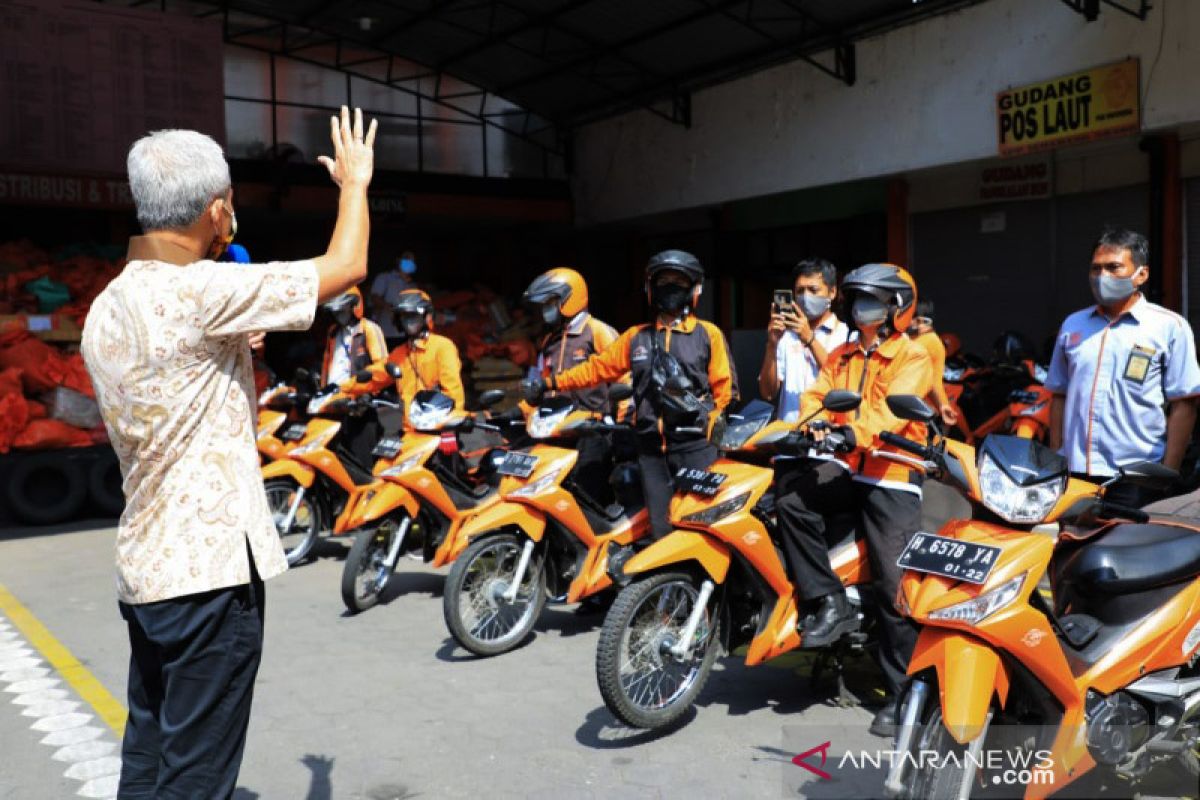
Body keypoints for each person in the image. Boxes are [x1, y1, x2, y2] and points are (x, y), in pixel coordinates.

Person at [81, 106, 377, 798]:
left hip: (147, 570)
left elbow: (172, 376)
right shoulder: (200, 291)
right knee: (198, 778)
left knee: (149, 755)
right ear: (217, 210)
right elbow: (349, 266)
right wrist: (356, 183)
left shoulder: (109, 303)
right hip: (209, 577)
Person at [774, 263, 932, 737]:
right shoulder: (843, 353)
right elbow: (818, 394)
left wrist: (851, 432)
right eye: (860, 299)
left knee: (894, 586)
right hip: (849, 467)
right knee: (789, 501)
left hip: (891, 475)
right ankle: (827, 601)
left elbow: (892, 412)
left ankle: (903, 695)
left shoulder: (913, 355)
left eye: (875, 300)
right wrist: (812, 423)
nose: (863, 307)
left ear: (897, 307)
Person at [523, 250, 735, 545]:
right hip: (650, 450)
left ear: (694, 289)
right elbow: (596, 369)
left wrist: (716, 424)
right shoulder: (636, 337)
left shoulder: (708, 334)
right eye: (663, 280)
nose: (670, 287)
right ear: (650, 289)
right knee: (662, 531)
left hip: (696, 448)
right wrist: (549, 383)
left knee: (702, 529)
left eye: (678, 281)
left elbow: (726, 390)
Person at [1046, 227, 1200, 506]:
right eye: (1095, 269)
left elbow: (1185, 404)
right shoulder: (1073, 325)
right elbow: (1059, 394)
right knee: (1072, 545)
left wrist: (1168, 471)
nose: (1102, 276)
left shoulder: (1169, 327)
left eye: (1113, 267)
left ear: (1141, 274)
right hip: (1076, 474)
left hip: (1136, 476)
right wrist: (1057, 452)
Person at [758, 258, 850, 422]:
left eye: (813, 290)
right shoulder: (785, 337)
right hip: (789, 438)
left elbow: (842, 383)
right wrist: (771, 345)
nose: (806, 297)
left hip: (828, 437)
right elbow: (768, 393)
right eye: (800, 291)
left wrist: (810, 339)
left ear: (832, 292)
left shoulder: (847, 336)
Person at [387, 288, 466, 416]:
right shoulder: (398, 353)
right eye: (405, 317)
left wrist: (452, 418)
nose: (409, 321)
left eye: (413, 316)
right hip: (410, 428)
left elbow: (453, 390)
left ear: (426, 317)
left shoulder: (442, 346)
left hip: (438, 424)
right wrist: (345, 390)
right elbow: (376, 375)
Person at [907, 298, 959, 427]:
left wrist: (944, 406)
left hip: (913, 411)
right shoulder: (909, 338)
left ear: (920, 320)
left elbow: (934, 381)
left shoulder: (932, 342)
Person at [370, 251, 418, 350]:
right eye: (406, 258)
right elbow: (374, 298)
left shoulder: (413, 285)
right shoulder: (385, 278)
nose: (409, 262)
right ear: (398, 261)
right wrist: (392, 309)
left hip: (408, 334)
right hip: (387, 333)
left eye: (412, 260)